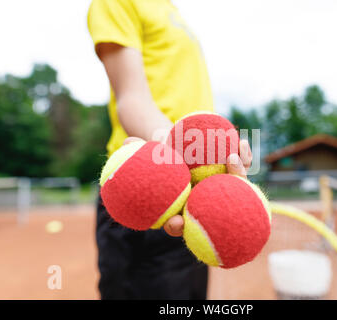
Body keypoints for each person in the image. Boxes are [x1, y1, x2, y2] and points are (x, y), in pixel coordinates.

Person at [87, 0, 252, 299]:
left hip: (190, 195)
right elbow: (131, 98)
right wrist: (185, 157)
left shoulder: (171, 10)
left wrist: (205, 173)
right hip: (143, 186)